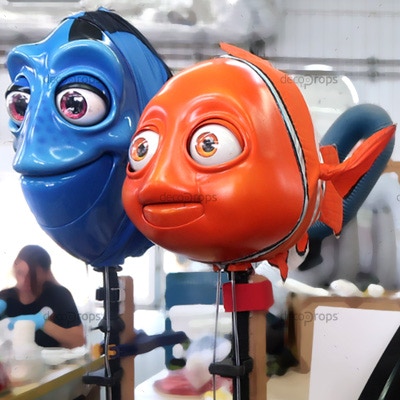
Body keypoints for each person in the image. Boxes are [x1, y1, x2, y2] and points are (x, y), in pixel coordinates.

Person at [0, 245, 85, 349]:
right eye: (20, 273)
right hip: (12, 359)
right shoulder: (5, 298)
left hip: (52, 359)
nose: (24, 281)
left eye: (32, 276)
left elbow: (79, 341)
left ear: (46, 274)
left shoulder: (59, 295)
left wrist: (43, 323)